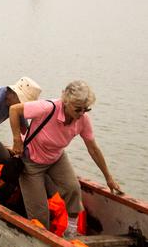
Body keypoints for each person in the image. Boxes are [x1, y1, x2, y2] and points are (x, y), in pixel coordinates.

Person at [9, 80, 122, 236]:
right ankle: (43, 237)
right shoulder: (47, 108)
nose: (82, 114)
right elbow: (14, 110)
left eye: (86, 109)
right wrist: (17, 140)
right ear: (66, 102)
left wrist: (108, 178)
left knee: (73, 189)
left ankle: (71, 229)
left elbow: (93, 149)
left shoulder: (83, 119)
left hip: (56, 158)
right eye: (78, 109)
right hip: (31, 162)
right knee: (40, 213)